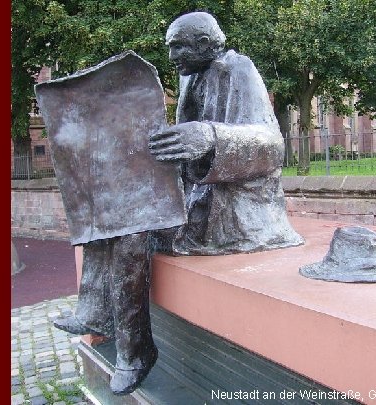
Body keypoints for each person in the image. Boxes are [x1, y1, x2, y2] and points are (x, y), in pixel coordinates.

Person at [53, 11, 303, 395]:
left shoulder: (238, 69)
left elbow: (272, 145)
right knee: (113, 212)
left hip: (232, 209)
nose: (172, 57)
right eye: (170, 47)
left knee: (132, 232)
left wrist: (209, 136)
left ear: (206, 45)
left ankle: (136, 351)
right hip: (195, 195)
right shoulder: (192, 77)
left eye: (179, 47)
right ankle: (96, 312)